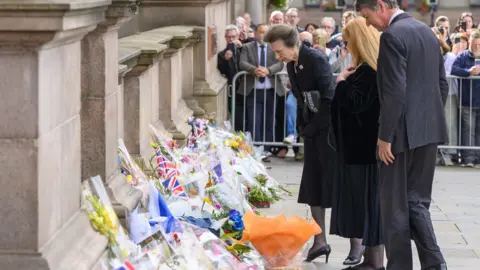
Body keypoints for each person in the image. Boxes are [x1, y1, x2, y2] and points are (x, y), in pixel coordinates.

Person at [355, 1, 448, 270]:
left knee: (395, 207)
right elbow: (441, 83)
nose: (368, 23)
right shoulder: (426, 31)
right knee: (417, 202)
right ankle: (435, 263)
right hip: (427, 130)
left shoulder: (393, 36)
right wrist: (427, 120)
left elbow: (394, 92)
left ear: (381, 5)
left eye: (367, 15)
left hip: (400, 135)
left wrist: (385, 137)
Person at [265, 24, 336, 263]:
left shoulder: (315, 59)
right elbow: (299, 98)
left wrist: (314, 127)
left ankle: (358, 247)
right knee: (314, 186)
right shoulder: (291, 65)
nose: (277, 56)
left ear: (292, 44)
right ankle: (320, 240)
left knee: (337, 188)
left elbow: (329, 98)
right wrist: (301, 126)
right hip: (312, 133)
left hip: (329, 134)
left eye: (278, 51)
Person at [330, 17, 384, 270]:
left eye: (348, 40)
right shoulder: (365, 69)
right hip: (358, 149)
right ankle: (371, 261)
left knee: (367, 206)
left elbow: (355, 104)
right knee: (366, 206)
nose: (346, 45)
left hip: (362, 151)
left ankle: (374, 263)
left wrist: (340, 82)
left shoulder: (368, 72)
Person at [238, 24, 286, 157]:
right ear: (255, 33)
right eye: (260, 32)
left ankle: (267, 148)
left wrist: (268, 70)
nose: (263, 35)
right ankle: (256, 148)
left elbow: (280, 62)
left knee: (270, 120)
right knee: (254, 120)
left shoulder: (273, 48)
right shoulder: (247, 47)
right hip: (253, 91)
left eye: (265, 32)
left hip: (271, 90)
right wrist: (254, 70)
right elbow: (242, 63)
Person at [450, 30, 480, 167]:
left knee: (478, 129)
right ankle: (468, 158)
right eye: (475, 45)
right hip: (467, 99)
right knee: (468, 129)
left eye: (479, 45)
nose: (477, 48)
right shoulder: (462, 57)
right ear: (470, 43)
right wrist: (469, 72)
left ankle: (477, 157)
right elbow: (453, 70)